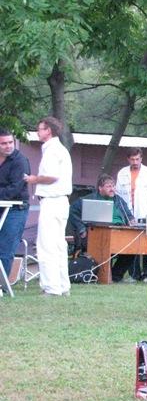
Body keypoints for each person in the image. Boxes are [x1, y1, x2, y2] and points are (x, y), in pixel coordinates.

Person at [24, 116, 73, 297]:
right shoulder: (59, 149)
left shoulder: (52, 150)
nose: (38, 132)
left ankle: (51, 288)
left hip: (52, 201)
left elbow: (51, 176)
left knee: (46, 245)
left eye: (41, 129)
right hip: (61, 201)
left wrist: (33, 179)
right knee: (59, 245)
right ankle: (62, 285)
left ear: (48, 131)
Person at [69, 174, 136, 282]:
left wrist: (132, 220)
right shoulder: (89, 199)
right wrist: (81, 229)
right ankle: (105, 276)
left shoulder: (119, 200)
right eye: (108, 186)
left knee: (132, 249)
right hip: (97, 234)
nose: (112, 189)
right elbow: (72, 211)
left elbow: (129, 215)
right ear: (100, 188)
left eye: (113, 186)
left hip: (120, 231)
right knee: (105, 248)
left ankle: (115, 276)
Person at [115, 147, 147, 281]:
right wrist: (125, 213)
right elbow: (119, 195)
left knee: (146, 245)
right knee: (131, 244)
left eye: (137, 159)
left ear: (141, 158)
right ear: (128, 159)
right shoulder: (122, 173)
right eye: (132, 159)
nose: (135, 162)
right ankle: (134, 274)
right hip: (128, 214)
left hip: (145, 214)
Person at [0, 129, 31, 288]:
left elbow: (15, 189)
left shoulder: (20, 161)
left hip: (16, 209)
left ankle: (1, 286)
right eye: (4, 143)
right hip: (1, 205)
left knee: (5, 248)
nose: (8, 146)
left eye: (10, 142)